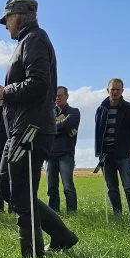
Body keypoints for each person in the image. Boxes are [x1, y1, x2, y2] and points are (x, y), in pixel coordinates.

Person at [0, 0, 79, 258]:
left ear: (20, 16)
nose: (6, 25)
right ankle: (62, 236)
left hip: (31, 129)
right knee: (6, 188)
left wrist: (5, 91)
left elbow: (39, 83)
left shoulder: (35, 40)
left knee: (20, 191)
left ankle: (32, 257)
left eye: (7, 18)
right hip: (19, 129)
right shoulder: (26, 43)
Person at [94, 78, 130, 224]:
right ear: (107, 90)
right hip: (106, 156)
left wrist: (129, 148)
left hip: (123, 155)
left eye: (118, 89)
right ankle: (118, 217)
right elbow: (98, 133)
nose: (115, 92)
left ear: (122, 91)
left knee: (129, 187)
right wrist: (99, 153)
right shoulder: (101, 109)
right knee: (112, 188)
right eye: (112, 89)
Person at [47, 86, 80, 214]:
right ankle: (53, 212)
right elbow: (45, 126)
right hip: (50, 155)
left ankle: (72, 212)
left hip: (66, 154)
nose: (57, 98)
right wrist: (60, 127)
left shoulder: (74, 111)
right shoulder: (49, 112)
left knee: (68, 186)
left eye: (60, 95)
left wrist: (53, 127)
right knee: (51, 187)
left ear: (67, 96)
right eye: (55, 96)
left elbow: (68, 124)